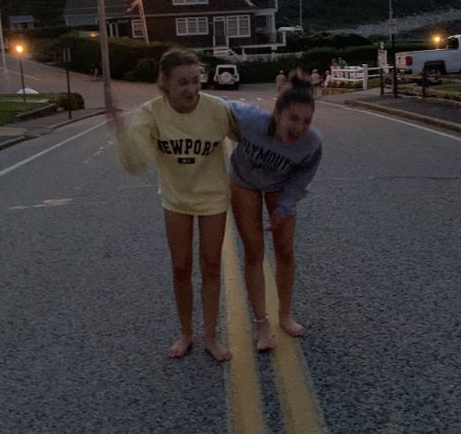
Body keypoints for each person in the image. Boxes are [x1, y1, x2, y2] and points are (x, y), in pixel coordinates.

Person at [109, 48, 238, 362]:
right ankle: (186, 333)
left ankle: (210, 335)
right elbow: (137, 162)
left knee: (210, 265)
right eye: (182, 83)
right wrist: (124, 134)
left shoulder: (218, 109)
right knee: (181, 267)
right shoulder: (151, 113)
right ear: (164, 84)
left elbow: (251, 136)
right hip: (176, 198)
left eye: (196, 81)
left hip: (213, 198)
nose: (191, 89)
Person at [228, 76, 322, 352]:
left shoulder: (311, 144)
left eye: (306, 121)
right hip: (244, 180)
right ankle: (262, 324)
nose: (299, 128)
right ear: (278, 113)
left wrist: (284, 208)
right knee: (254, 251)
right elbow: (216, 106)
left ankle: (284, 315)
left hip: (280, 185)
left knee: (285, 250)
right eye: (293, 118)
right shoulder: (251, 119)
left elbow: (302, 177)